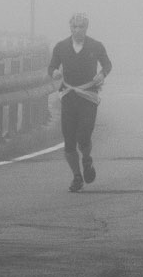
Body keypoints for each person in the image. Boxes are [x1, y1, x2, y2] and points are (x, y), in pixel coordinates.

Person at [48, 12, 112, 192]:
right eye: (74, 27)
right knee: (69, 141)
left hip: (88, 96)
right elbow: (51, 66)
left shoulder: (96, 46)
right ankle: (77, 176)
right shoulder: (61, 47)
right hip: (68, 95)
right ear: (70, 28)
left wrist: (101, 74)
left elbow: (107, 64)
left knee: (83, 135)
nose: (77, 30)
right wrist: (54, 73)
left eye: (81, 27)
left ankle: (86, 159)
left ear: (86, 28)